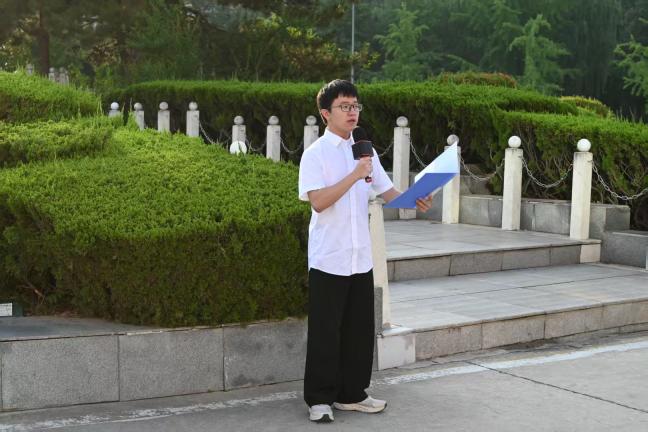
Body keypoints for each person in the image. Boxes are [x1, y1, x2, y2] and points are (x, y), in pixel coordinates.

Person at [298, 79, 433, 423]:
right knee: (326, 333)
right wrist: (355, 174)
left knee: (359, 332)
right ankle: (319, 400)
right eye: (344, 106)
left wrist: (416, 198)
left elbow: (389, 194)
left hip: (360, 257)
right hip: (329, 258)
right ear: (325, 113)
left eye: (355, 105)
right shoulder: (316, 154)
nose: (352, 112)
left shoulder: (365, 151)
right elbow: (318, 202)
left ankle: (352, 394)